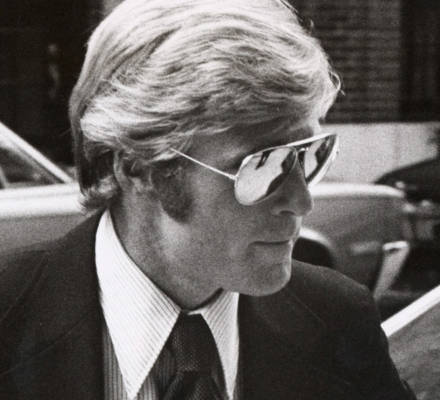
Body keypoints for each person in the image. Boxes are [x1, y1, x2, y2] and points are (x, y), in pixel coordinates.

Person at [0, 0, 415, 399]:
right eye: (263, 165)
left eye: (308, 155)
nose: (302, 201)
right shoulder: (10, 319)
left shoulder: (337, 320)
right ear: (138, 168)